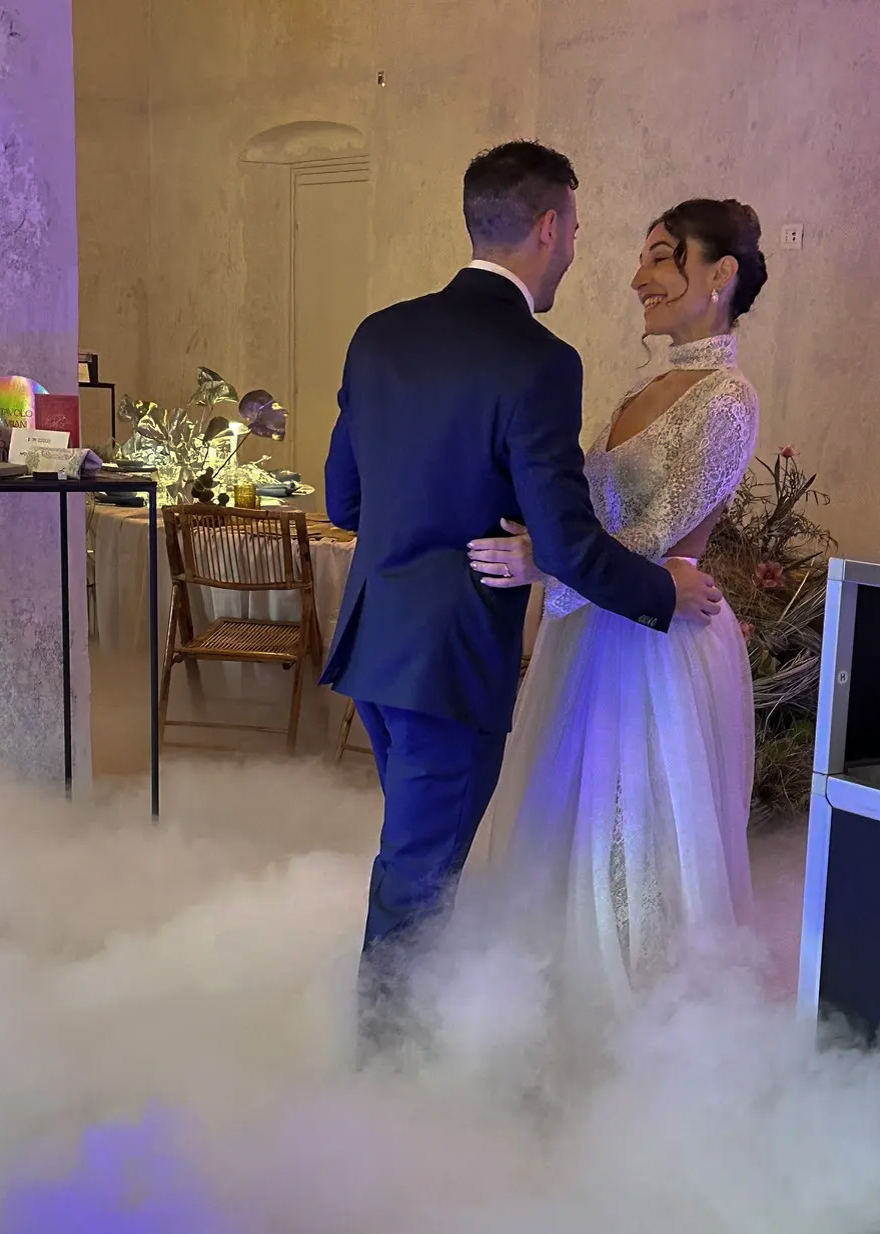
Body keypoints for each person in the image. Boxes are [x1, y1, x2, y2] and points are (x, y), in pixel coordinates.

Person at [320, 143, 722, 1055]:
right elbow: (570, 541)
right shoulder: (539, 360)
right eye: (574, 228)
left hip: (376, 642)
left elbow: (345, 500)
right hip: (453, 657)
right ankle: (384, 1070)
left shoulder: (379, 334)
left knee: (418, 855)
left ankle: (405, 1040)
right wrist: (665, 590)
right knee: (419, 874)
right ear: (547, 227)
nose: (576, 248)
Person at [467, 198, 767, 1034]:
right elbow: (591, 518)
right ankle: (557, 1003)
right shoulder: (645, 386)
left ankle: (645, 1028)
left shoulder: (727, 398)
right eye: (643, 258)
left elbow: (652, 533)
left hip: (657, 639)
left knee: (636, 826)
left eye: (663, 257)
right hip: (594, 625)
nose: (640, 277)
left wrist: (543, 562)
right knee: (571, 819)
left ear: (721, 274)